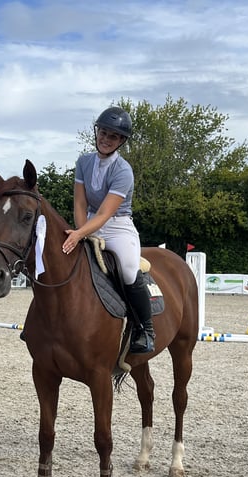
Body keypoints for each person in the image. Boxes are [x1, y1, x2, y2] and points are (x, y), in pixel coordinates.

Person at [62, 106, 155, 353]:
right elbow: (80, 203)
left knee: (126, 269)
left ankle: (144, 329)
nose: (105, 139)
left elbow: (105, 213)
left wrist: (82, 234)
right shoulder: (83, 162)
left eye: (112, 136)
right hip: (88, 222)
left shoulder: (123, 171)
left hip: (117, 225)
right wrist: (81, 231)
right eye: (103, 133)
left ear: (121, 141)